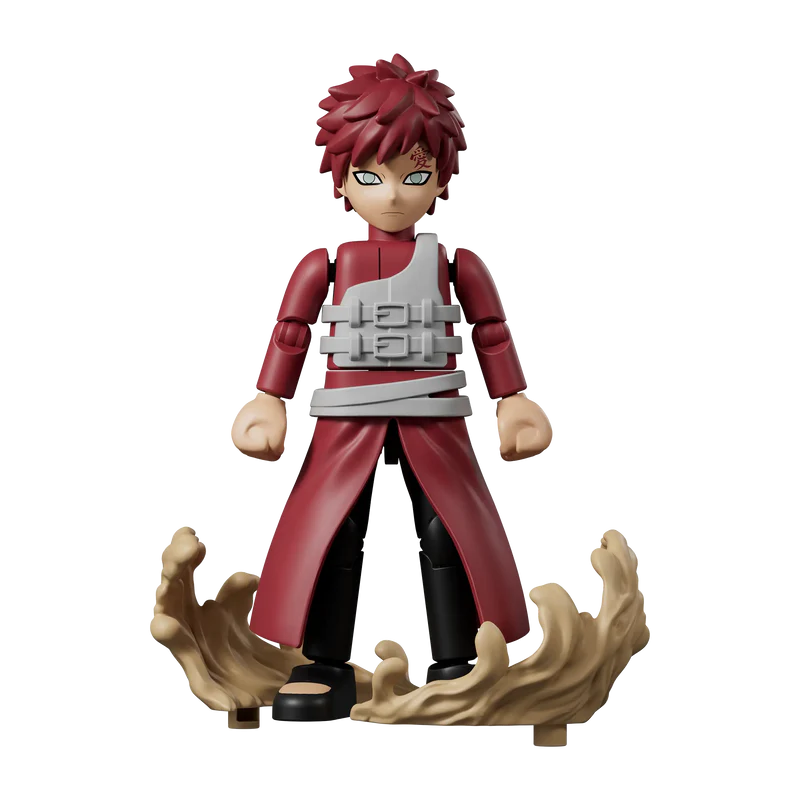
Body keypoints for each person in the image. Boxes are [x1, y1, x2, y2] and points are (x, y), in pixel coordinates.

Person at [230, 52, 554, 723]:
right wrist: (266, 399)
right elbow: (290, 337)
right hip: (346, 414)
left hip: (435, 412)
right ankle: (324, 662)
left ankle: (460, 663)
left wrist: (514, 400)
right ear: (341, 180)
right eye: (371, 175)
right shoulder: (325, 264)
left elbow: (492, 335)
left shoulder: (455, 263)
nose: (395, 194)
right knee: (334, 528)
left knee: (447, 527)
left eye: (415, 174)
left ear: (441, 179)